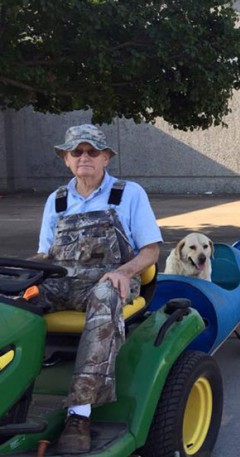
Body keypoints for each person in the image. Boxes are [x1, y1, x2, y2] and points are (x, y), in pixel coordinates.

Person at [33, 124, 162, 454]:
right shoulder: (57, 200)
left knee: (105, 297)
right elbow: (44, 253)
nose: (84, 157)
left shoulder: (128, 194)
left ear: (106, 157)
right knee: (13, 300)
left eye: (92, 152)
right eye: (76, 152)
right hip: (63, 281)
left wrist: (123, 271)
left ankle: (80, 414)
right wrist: (26, 278)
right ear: (66, 159)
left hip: (110, 280)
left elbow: (151, 250)